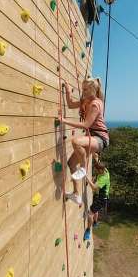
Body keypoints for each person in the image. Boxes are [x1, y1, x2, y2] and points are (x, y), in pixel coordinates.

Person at [59, 77, 109, 205]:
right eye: (83, 89)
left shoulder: (95, 104)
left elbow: (86, 125)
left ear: (94, 89)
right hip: (92, 137)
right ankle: (76, 194)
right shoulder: (85, 100)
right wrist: (68, 90)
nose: (84, 92)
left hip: (100, 138)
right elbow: (70, 105)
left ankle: (83, 168)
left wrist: (64, 121)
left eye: (86, 89)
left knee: (76, 142)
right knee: (71, 163)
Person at [83, 160, 110, 240]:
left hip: (101, 199)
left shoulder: (103, 178)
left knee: (90, 213)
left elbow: (94, 188)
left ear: (101, 170)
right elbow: (98, 172)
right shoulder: (105, 170)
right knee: (96, 210)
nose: (96, 171)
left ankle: (88, 230)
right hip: (103, 197)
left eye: (97, 170)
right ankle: (95, 223)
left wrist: (87, 178)